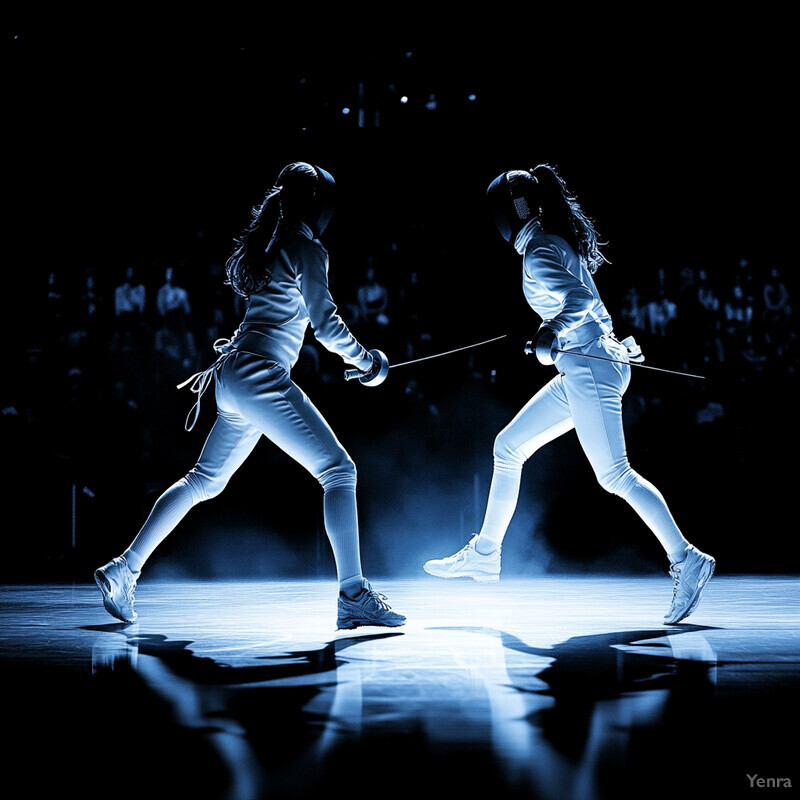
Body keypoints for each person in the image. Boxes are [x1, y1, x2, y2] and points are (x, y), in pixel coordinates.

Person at [95, 162, 405, 630]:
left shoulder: (273, 243)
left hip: (233, 376)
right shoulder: (306, 247)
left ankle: (124, 568)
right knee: (339, 471)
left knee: (203, 480)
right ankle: (353, 594)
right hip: (258, 375)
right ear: (318, 205)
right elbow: (325, 324)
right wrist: (368, 362)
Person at [423, 164, 715, 625]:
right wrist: (565, 337)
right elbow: (589, 306)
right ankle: (485, 552)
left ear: (505, 214)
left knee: (615, 475)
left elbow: (577, 302)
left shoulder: (538, 248)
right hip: (588, 363)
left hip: (590, 368)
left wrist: (553, 328)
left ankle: (687, 558)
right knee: (509, 447)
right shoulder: (550, 240)